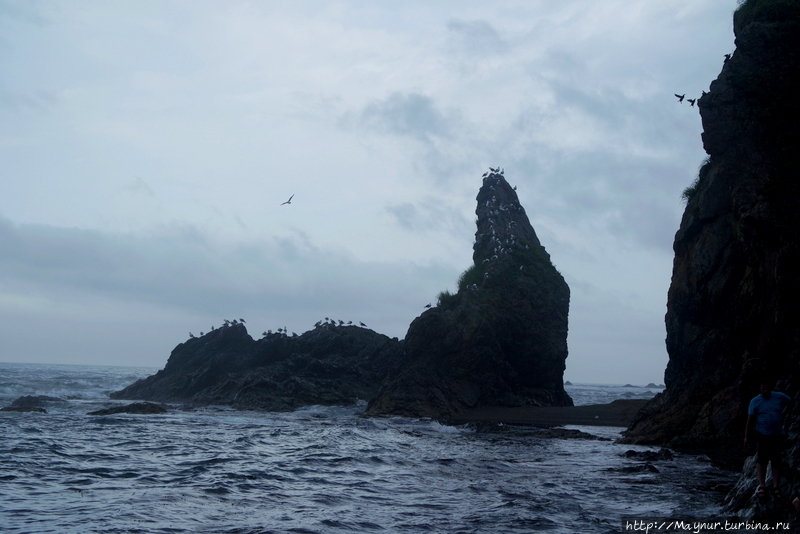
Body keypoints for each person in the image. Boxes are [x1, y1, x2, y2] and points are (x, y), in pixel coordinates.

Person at [744, 382, 793, 500]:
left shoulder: (779, 396)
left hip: (777, 434)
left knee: (776, 460)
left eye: (767, 389)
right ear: (760, 389)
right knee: (762, 460)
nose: (765, 391)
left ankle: (776, 486)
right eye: (763, 389)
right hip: (762, 434)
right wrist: (747, 436)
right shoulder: (755, 401)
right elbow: (749, 420)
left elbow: (791, 402)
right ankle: (762, 485)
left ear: (770, 388)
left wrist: (785, 413)